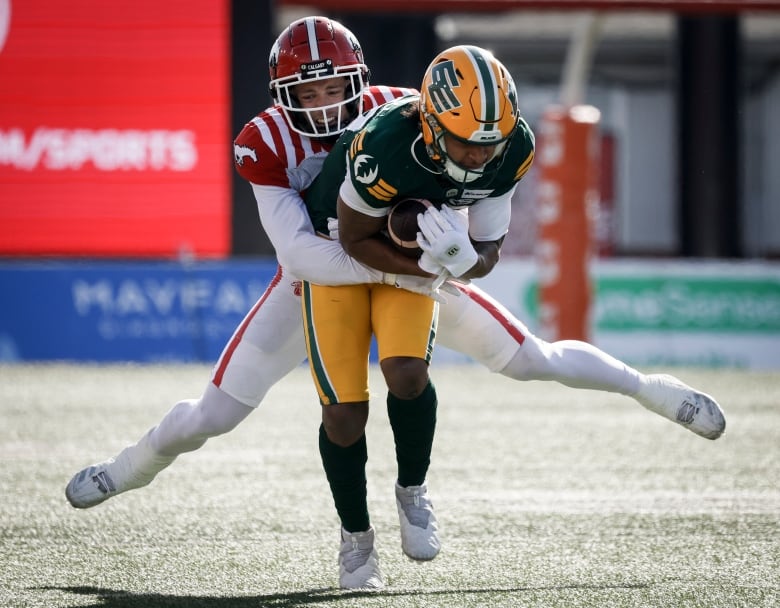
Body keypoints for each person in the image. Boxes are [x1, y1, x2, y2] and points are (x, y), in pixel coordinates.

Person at [64, 17, 726, 592]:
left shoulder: (415, 116)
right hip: (318, 279)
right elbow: (302, 256)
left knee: (531, 358)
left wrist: (454, 261)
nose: (324, 105)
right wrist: (423, 268)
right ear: (281, 97)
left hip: (403, 269)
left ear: (360, 80)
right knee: (213, 415)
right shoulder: (268, 141)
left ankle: (652, 390)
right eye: (309, 92)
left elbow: (482, 227)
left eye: (334, 87)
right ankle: (128, 468)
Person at [299, 44, 535, 589]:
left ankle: (412, 489)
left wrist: (463, 262)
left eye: (490, 143)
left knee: (408, 374)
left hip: (409, 254)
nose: (480, 157)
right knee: (343, 414)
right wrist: (425, 269)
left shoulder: (512, 147)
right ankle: (356, 539)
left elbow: (488, 251)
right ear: (430, 123)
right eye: (465, 143)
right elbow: (357, 238)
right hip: (339, 252)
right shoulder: (385, 146)